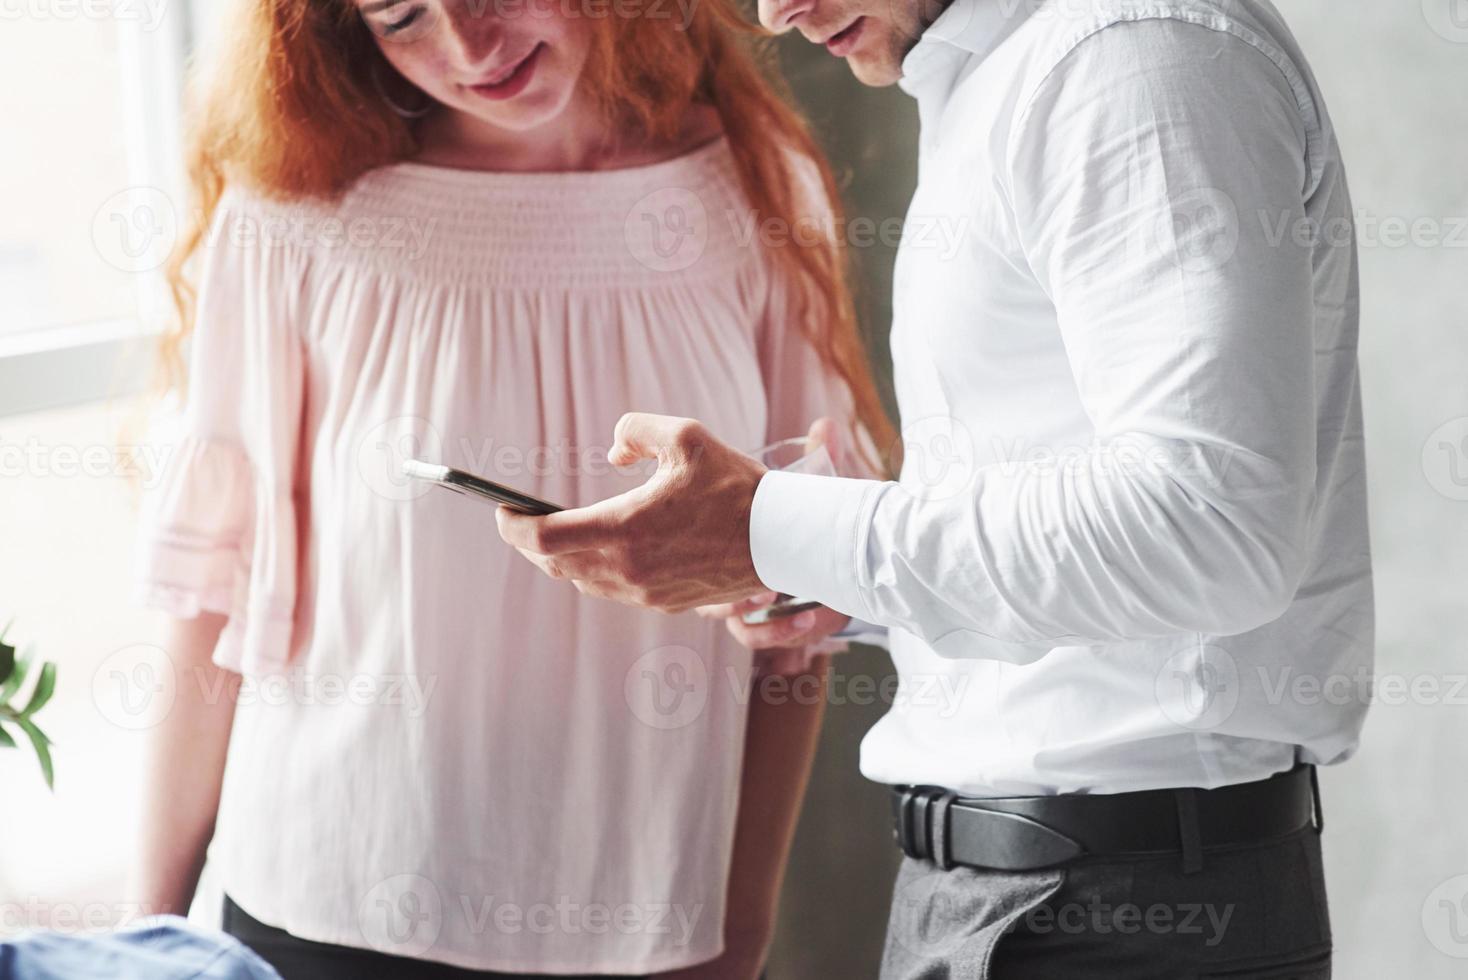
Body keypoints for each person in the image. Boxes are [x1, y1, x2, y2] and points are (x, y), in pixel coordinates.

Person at [496, 0, 1373, 975]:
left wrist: (777, 524)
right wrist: (845, 570)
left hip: (1120, 907)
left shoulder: (1129, 56)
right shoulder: (999, 73)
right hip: (1028, 891)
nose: (776, 13)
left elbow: (1211, 527)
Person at [127, 0, 896, 977]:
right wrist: (135, 935)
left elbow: (796, 625)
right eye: (400, 16)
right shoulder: (296, 209)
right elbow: (209, 593)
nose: (467, 49)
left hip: (645, 920)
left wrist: (737, 933)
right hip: (320, 903)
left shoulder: (751, 189)